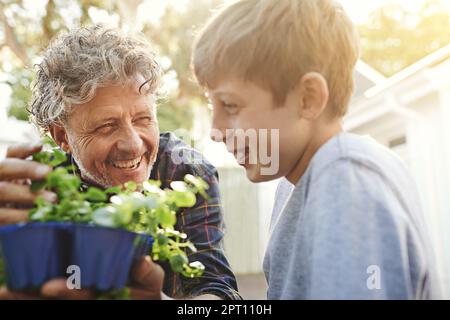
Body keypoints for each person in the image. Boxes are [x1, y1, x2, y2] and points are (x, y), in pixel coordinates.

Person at [191, 0, 442, 299]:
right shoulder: (298, 183)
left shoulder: (347, 185)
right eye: (212, 105)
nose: (215, 131)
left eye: (230, 105)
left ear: (308, 98)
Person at [0, 24, 240, 300]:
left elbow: (217, 291)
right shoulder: (37, 183)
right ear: (61, 135)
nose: (134, 145)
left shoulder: (185, 173)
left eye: (143, 119)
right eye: (106, 126)